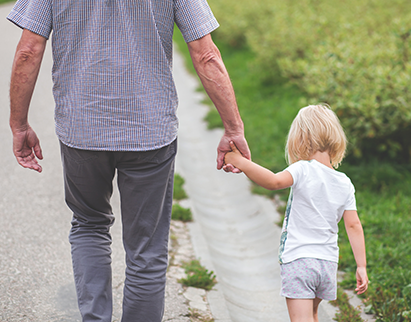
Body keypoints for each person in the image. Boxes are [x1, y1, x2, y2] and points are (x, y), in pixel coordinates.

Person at [7, 0, 250, 321]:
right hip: (149, 132)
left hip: (82, 130)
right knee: (146, 250)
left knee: (89, 226)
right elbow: (206, 54)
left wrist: (19, 123)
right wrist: (233, 126)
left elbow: (29, 50)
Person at [224, 104, 368, 322]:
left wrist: (241, 162)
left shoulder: (303, 169)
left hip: (300, 261)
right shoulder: (344, 182)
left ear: (300, 139)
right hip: (327, 264)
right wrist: (361, 266)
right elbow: (354, 225)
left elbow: (273, 181)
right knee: (312, 314)